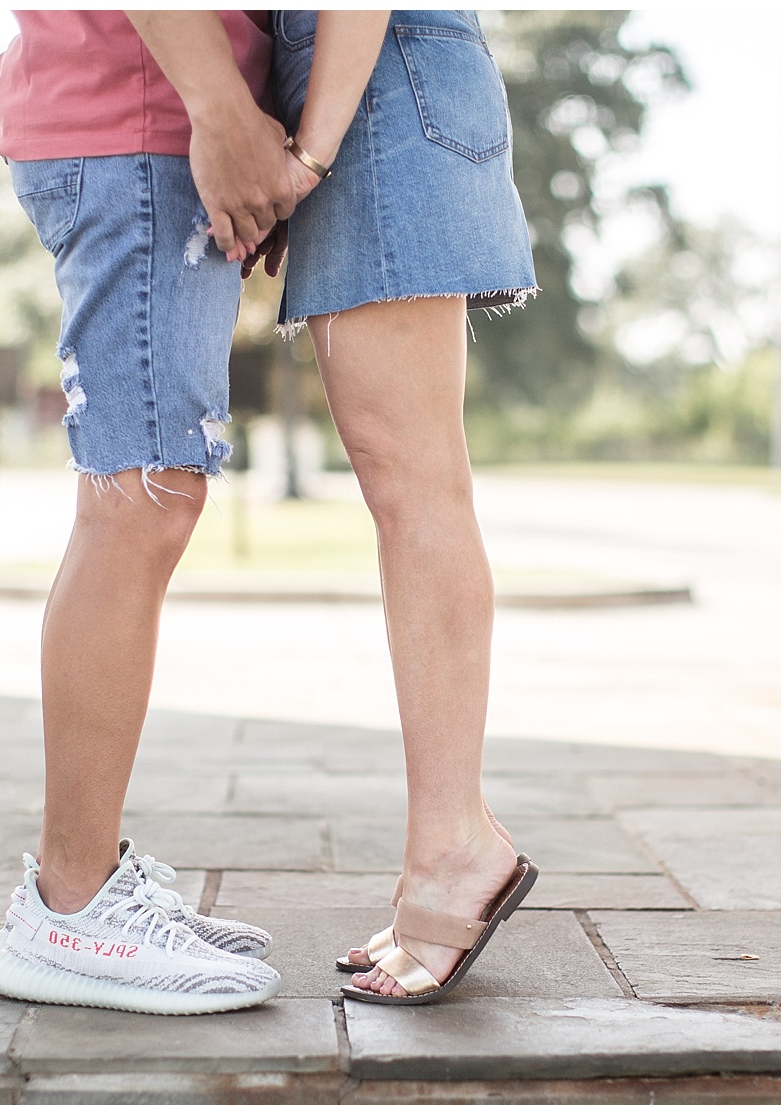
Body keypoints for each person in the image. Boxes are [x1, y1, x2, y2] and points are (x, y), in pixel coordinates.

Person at [0, 11, 303, 1015]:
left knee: (143, 494)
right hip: (141, 116)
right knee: (139, 500)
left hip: (150, 116)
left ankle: (84, 880)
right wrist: (219, 106)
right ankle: (69, 903)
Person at [266, 11, 542, 1003]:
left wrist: (305, 152)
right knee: (406, 484)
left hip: (373, 86)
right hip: (366, 85)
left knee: (417, 482)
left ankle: (456, 847)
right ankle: (448, 839)